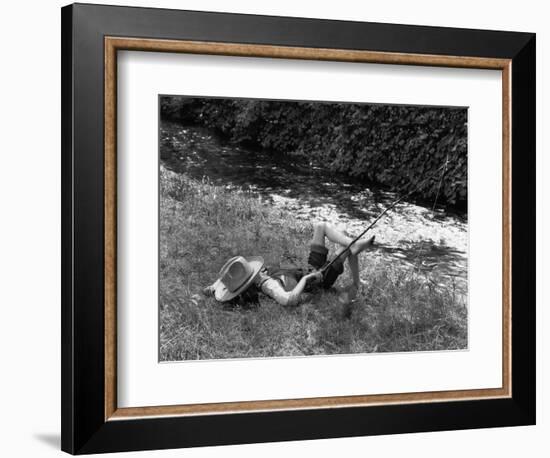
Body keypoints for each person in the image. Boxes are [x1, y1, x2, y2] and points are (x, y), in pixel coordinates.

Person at [203, 222, 375, 307]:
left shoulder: (239, 276)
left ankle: (354, 245)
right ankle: (355, 261)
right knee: (345, 248)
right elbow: (288, 300)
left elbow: (223, 280)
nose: (257, 270)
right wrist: (308, 278)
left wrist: (210, 289)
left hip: (308, 266)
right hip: (318, 278)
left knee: (321, 227)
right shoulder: (267, 285)